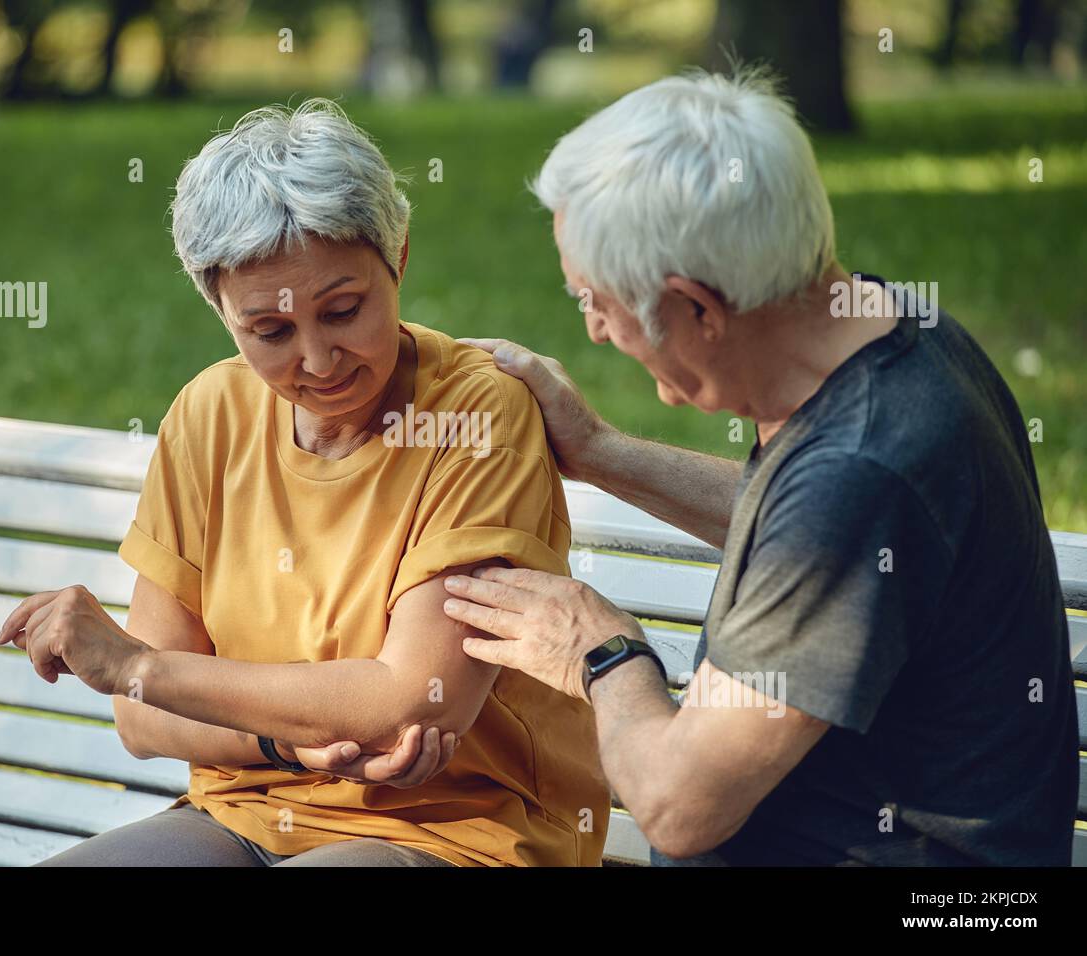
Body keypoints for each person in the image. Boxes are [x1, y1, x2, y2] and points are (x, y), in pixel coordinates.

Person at [441, 68, 1079, 866]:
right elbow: (803, 542)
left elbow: (680, 810)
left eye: (594, 301)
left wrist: (601, 653)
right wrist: (601, 454)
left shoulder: (864, 471)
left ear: (698, 307)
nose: (596, 332)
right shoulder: (886, 331)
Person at [0, 99, 609, 867]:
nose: (320, 361)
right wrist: (282, 742)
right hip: (243, 811)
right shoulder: (209, 414)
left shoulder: (477, 412)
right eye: (272, 332)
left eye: (344, 310)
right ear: (218, 308)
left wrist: (143, 667)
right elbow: (142, 723)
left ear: (401, 257)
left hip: (454, 834)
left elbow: (407, 702)